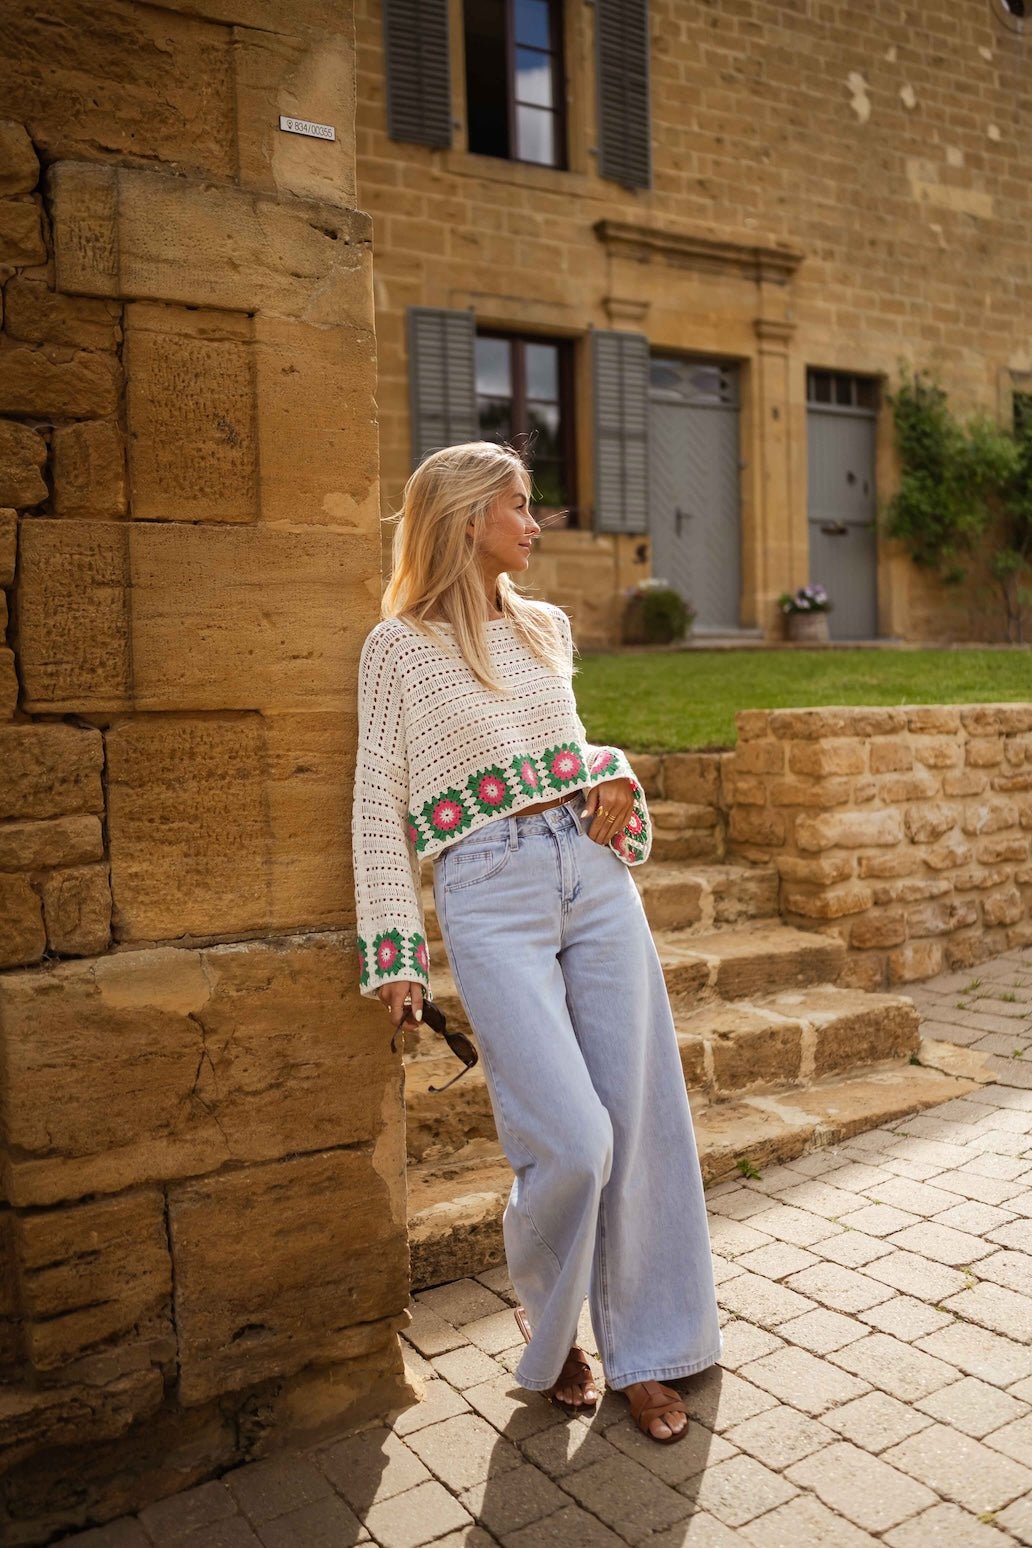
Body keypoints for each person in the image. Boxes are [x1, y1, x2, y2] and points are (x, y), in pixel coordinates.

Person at [351, 441, 722, 1444]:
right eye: (521, 506)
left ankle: (650, 1352)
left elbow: (557, 752)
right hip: (487, 891)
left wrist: (611, 771)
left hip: (590, 876)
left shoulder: (547, 628)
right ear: (469, 519)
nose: (536, 522)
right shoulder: (397, 647)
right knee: (570, 1136)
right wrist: (396, 952)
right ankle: (553, 1322)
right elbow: (378, 806)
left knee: (639, 1120)